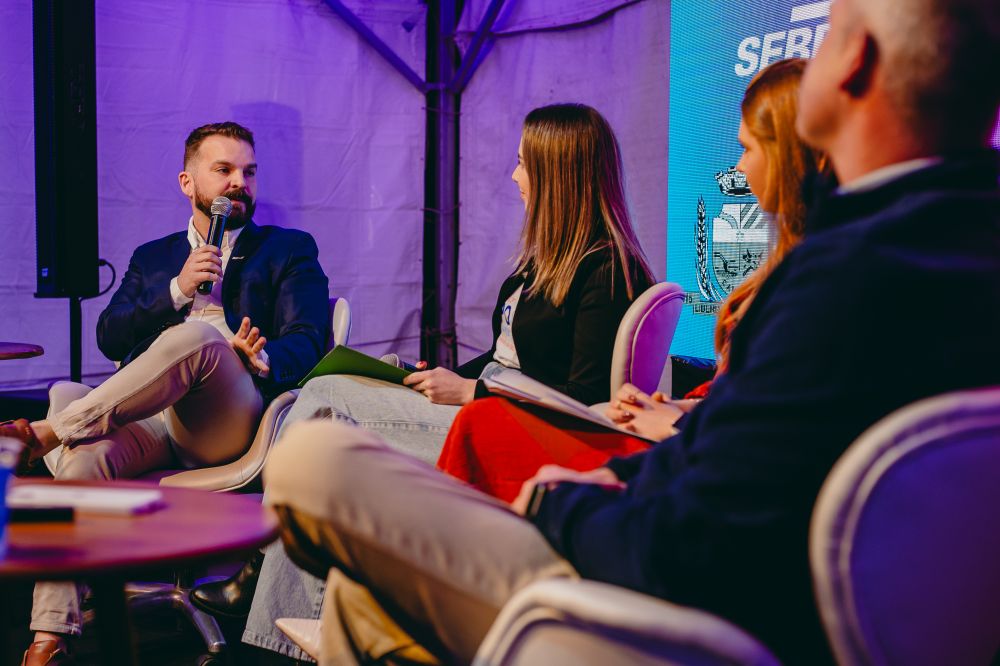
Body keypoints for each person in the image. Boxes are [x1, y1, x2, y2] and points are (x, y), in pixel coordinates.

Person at [260, 0, 1000, 663]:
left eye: (829, 27)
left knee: (313, 457)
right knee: (363, 589)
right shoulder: (947, 252)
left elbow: (698, 540)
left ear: (855, 60)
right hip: (758, 590)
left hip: (689, 618)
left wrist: (560, 504)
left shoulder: (840, 281)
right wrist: (620, 476)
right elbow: (743, 462)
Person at [190, 104, 654, 658]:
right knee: (334, 391)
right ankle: (280, 612)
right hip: (489, 406)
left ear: (558, 174)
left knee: (325, 400)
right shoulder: (547, 263)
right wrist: (444, 376)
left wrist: (474, 392)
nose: (514, 176)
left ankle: (264, 580)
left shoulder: (606, 271)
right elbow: (504, 358)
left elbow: (585, 402)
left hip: (511, 435)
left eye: (523, 163)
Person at [2, 121, 331, 666]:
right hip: (154, 418)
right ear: (188, 182)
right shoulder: (154, 257)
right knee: (84, 460)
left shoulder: (288, 249)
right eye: (223, 170)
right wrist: (176, 290)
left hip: (229, 415)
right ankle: (49, 638)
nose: (239, 183)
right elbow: (111, 335)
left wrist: (261, 357)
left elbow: (310, 339)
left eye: (248, 172)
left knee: (198, 339)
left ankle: (46, 432)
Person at [437, 58, 827, 503]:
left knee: (454, 424)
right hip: (680, 444)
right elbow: (741, 395)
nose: (738, 167)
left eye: (748, 148)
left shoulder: (606, 271)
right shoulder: (792, 275)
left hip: (677, 463)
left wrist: (681, 420)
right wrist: (683, 407)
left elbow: (772, 424)